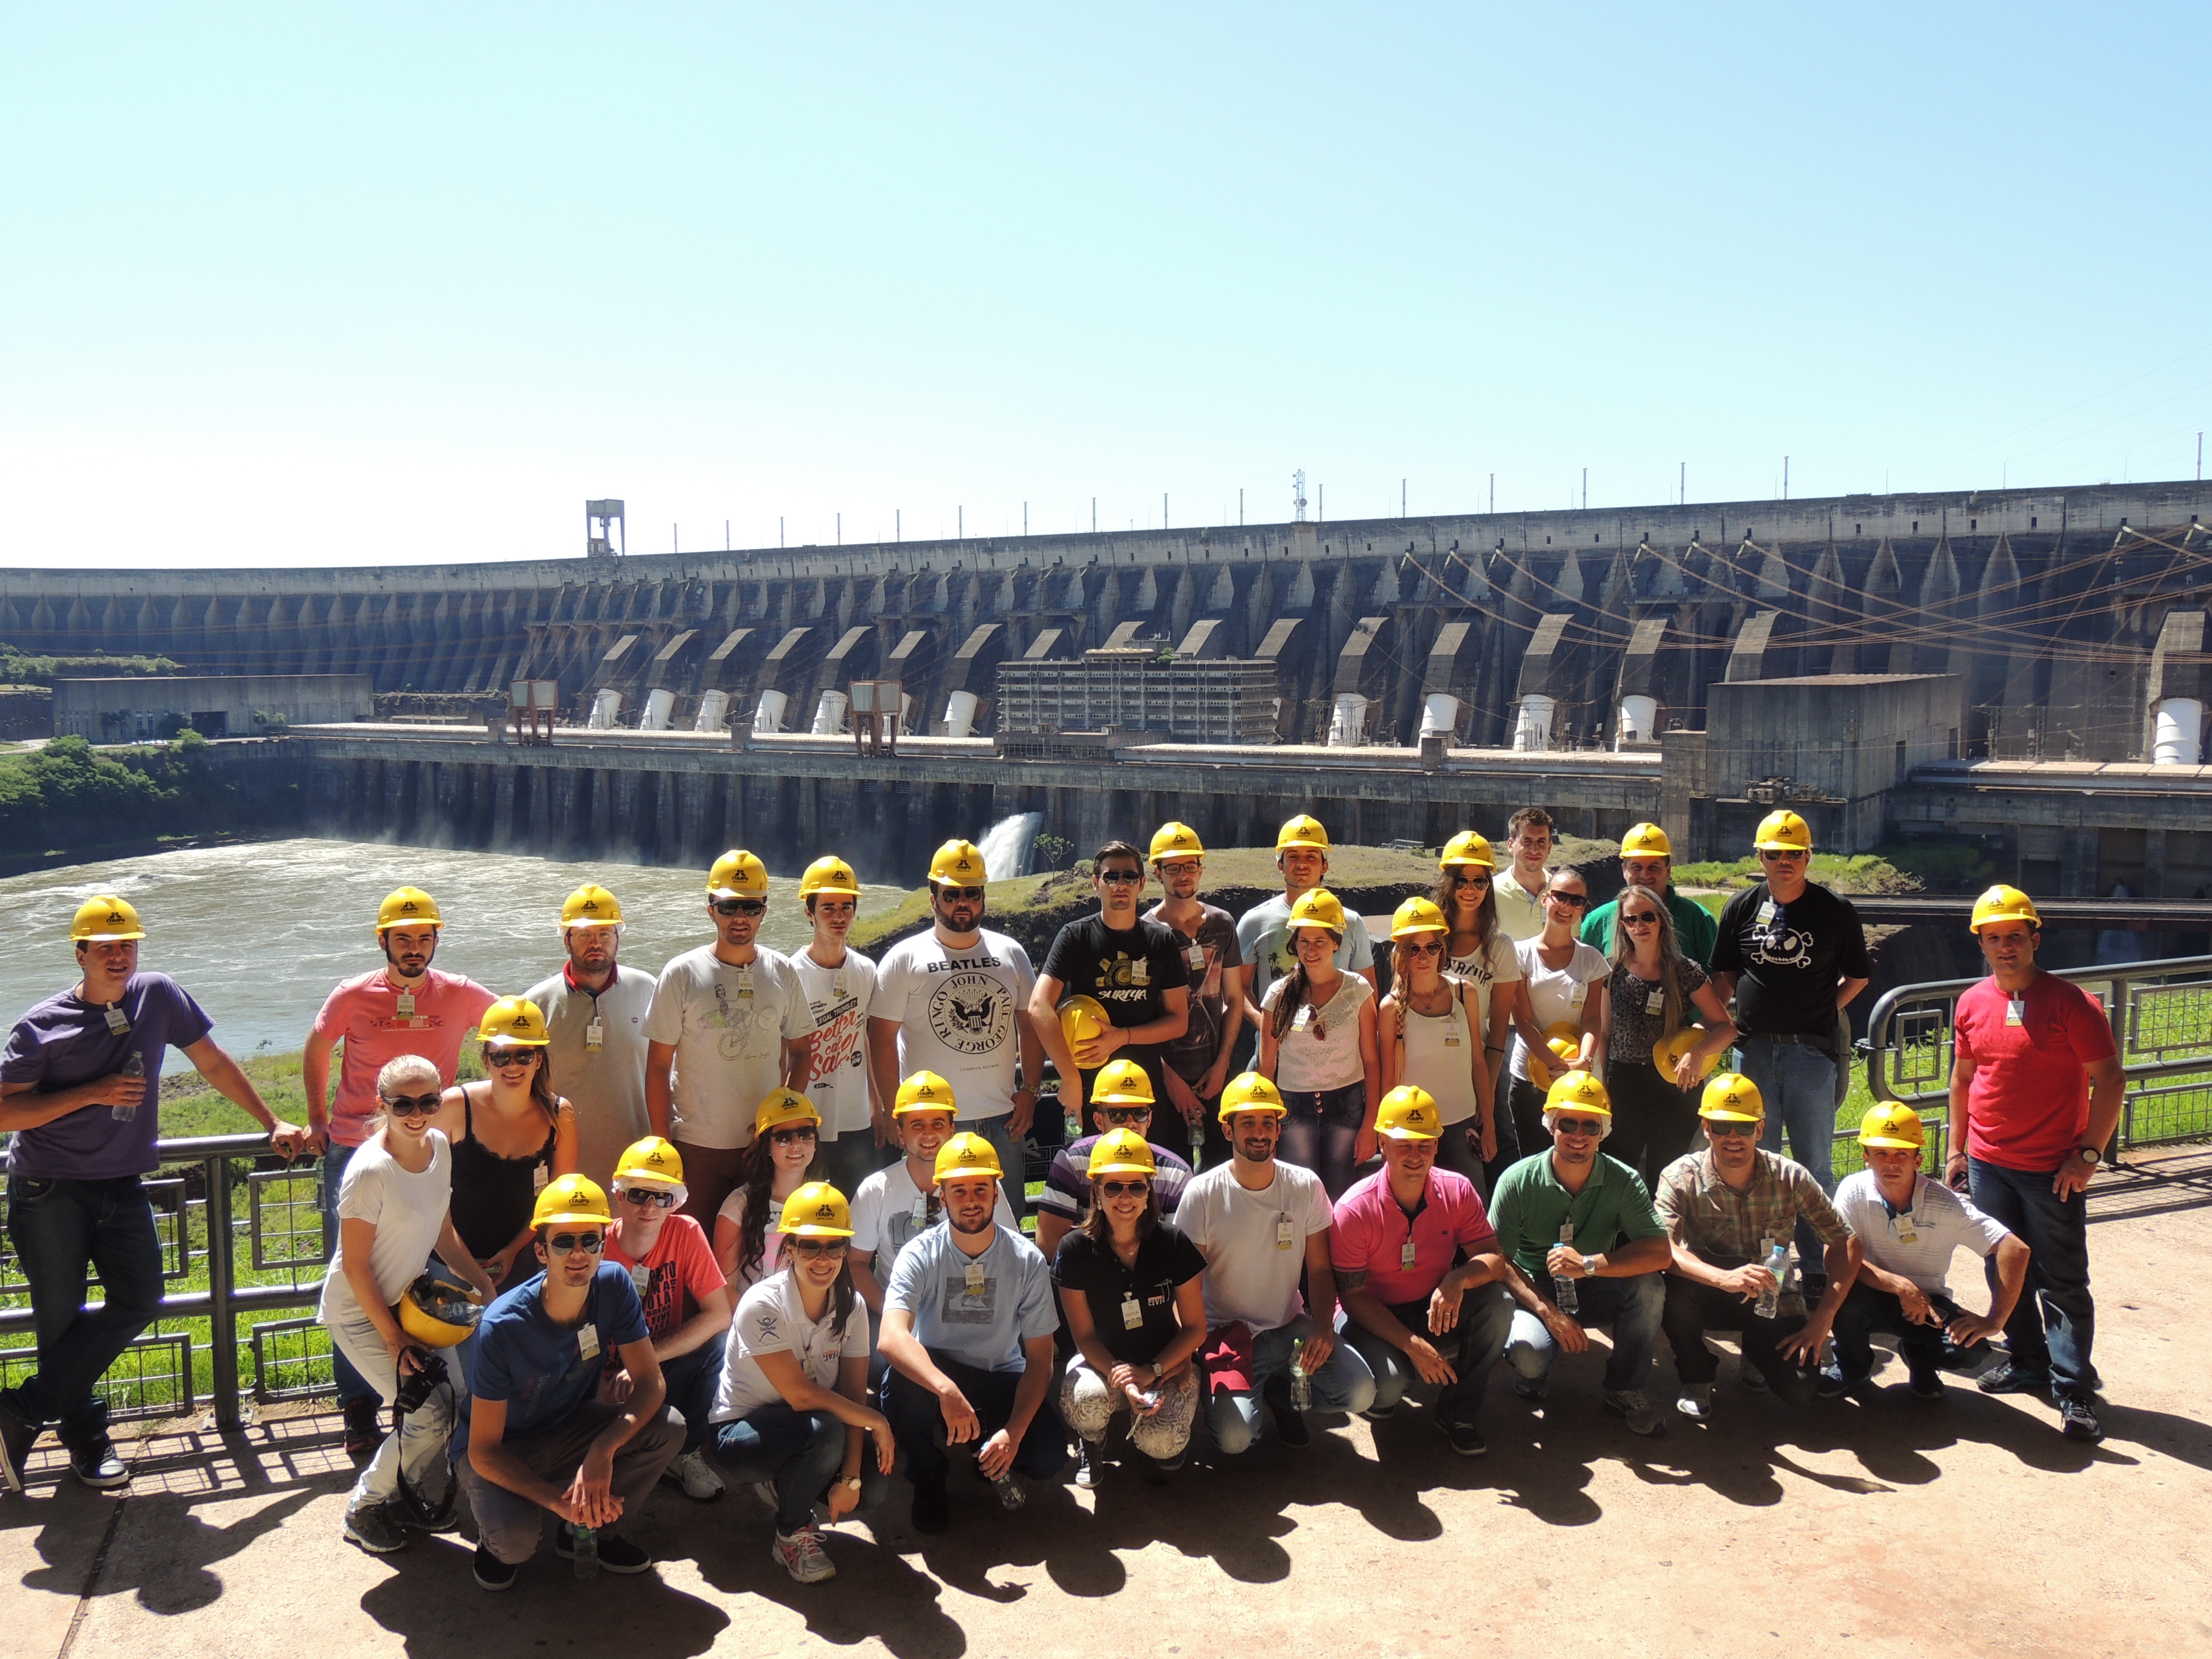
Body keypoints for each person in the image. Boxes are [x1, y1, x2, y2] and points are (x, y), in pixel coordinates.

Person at [0, 896, 306, 1494]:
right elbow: (5, 1112)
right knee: (59, 1324)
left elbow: (213, 1063)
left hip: (123, 1183)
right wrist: (94, 1092)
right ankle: (87, 1440)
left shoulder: (158, 995)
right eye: (106, 947)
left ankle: (19, 1410)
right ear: (80, 953)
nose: (120, 956)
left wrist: (272, 1121)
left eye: (128, 945)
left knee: (143, 1299)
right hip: (49, 1191)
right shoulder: (41, 1025)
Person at [304, 885, 496, 1456]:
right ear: (383, 940)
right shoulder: (353, 995)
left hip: (421, 1143)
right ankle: (358, 1405)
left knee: (417, 1269)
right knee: (358, 1274)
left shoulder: (459, 993)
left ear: (437, 940)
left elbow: (513, 1026)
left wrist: (500, 1091)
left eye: (423, 937)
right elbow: (317, 1049)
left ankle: (415, 1388)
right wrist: (316, 1119)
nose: (414, 948)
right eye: (403, 938)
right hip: (353, 1149)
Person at [1946, 884, 2125, 1442]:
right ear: (1981, 942)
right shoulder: (1973, 1002)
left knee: (2062, 1280)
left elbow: (2111, 1080)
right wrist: (1957, 1148)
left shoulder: (2073, 1004)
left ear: (2034, 939)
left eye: (2015, 937)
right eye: (1994, 938)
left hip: (2052, 1170)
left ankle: (2073, 1388)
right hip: (1988, 1163)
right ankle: (2027, 1361)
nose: (2005, 948)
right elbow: (1963, 1079)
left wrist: (2088, 1156)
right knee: (2005, 1267)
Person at [455, 1174, 683, 1591]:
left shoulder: (614, 1284)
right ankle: (503, 1537)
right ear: (541, 1251)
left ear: (603, 1245)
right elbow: (484, 1451)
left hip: (569, 1429)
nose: (578, 1254)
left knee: (669, 1426)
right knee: (515, 1545)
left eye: (590, 1241)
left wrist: (603, 1449)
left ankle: (597, 1528)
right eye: (564, 1242)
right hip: (501, 1449)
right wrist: (559, 1503)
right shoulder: (500, 1327)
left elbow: (652, 1383)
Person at [318, 1056, 500, 1553]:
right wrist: (395, 1341)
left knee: (455, 1400)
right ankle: (364, 1506)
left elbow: (443, 1230)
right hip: (360, 1313)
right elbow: (355, 1267)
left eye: (428, 1102)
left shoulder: (440, 1147)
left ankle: (405, 1495)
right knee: (424, 1415)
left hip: (407, 1304)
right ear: (382, 1105)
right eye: (403, 1104)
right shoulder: (370, 1171)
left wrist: (484, 1286)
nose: (417, 1113)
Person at [1171, 1073, 1376, 1453]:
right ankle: (1232, 1398)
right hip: (1227, 1338)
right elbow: (1184, 1284)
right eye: (1247, 1122)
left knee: (1361, 1392)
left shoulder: (1305, 1185)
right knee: (1236, 1441)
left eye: (1268, 1123)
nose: (1259, 1132)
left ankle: (1281, 1397)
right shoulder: (1202, 1194)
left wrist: (1323, 1329)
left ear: (1280, 1129)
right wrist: (1194, 1348)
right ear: (1227, 1130)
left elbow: (1318, 1269)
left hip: (1288, 1330)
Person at [1708, 809, 1871, 1282]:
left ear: (1808, 856)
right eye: (1774, 853)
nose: (1784, 861)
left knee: (1813, 1164)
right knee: (1758, 1164)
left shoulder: (1834, 910)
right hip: (1753, 1050)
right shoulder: (1741, 906)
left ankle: (1823, 1270)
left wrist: (1826, 1009)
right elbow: (1725, 974)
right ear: (1760, 856)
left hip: (1810, 1056)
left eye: (1794, 853)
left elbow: (1859, 975)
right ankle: (1767, 1267)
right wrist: (1711, 1030)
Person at [878, 1132, 1065, 1533]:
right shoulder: (919, 1254)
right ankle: (928, 1474)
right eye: (958, 1190)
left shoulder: (1026, 1260)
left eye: (981, 1188)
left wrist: (1014, 1435)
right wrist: (946, 1390)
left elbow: (1040, 1360)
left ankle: (992, 1452)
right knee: (901, 1381)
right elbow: (891, 1337)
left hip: (1000, 1374)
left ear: (997, 1193)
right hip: (938, 1374)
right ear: (941, 1197)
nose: (971, 1200)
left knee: (1048, 1458)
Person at [709, 1181, 895, 1584]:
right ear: (789, 1249)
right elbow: (800, 1396)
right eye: (810, 1246)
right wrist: (875, 1420)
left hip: (808, 1422)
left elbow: (850, 1392)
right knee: (825, 1429)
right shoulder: (762, 1304)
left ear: (847, 1250)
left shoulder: (853, 1305)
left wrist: (849, 1477)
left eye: (835, 1246)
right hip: (742, 1433)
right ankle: (791, 1533)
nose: (823, 1258)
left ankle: (794, 1478)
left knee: (873, 1487)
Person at [1655, 1073, 1863, 1422]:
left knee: (1800, 1389)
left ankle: (1757, 1351)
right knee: (1668, 1292)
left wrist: (1823, 1318)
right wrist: (1722, 1279)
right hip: (1709, 1288)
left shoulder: (1791, 1177)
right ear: (1706, 1128)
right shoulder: (1680, 1177)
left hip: (1772, 1297)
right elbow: (1664, 1248)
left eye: (1744, 1126)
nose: (1734, 1137)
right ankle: (1696, 1376)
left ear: (1761, 1129)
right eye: (1722, 1126)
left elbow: (1846, 1241)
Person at [1329, 1087, 1514, 1456]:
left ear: (1436, 1145)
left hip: (1433, 1304)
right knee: (1390, 1384)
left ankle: (1458, 1413)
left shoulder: (1457, 1189)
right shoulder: (1354, 1209)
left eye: (1424, 1144)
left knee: (1499, 1303)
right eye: (1404, 1145)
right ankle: (1387, 1387)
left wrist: (1457, 1279)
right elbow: (1352, 1297)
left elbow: (1495, 1261)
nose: (1415, 1156)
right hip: (1370, 1314)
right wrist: (1413, 1347)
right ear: (1383, 1143)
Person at [1488, 1070, 1672, 1435]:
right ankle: (1533, 1374)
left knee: (1650, 1288)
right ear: (1550, 1126)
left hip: (1592, 1280)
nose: (1579, 1135)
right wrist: (1548, 1312)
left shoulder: (1624, 1180)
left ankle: (1625, 1387)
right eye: (1568, 1123)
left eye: (1591, 1126)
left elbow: (1660, 1252)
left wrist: (1590, 1265)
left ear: (1604, 1132)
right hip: (1535, 1288)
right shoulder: (1516, 1180)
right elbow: (1497, 1261)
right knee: (1530, 1355)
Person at [868, 839, 1042, 1220]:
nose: (962, 903)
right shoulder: (904, 958)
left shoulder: (1012, 953)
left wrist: (1030, 1089)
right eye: (951, 895)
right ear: (934, 899)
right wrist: (893, 1109)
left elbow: (1030, 1025)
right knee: (934, 1230)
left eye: (971, 894)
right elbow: (880, 1039)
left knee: (1005, 1230)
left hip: (1002, 1119)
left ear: (983, 897)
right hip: (933, 1126)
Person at [645, 849, 818, 1229]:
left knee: (759, 1251)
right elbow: (658, 1066)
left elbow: (803, 1052)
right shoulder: (681, 974)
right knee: (695, 1254)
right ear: (711, 910)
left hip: (762, 1148)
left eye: (751, 907)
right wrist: (664, 1147)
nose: (740, 917)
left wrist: (781, 1124)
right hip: (696, 1146)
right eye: (729, 907)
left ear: (765, 911)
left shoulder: (782, 971)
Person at [1823, 1103, 2029, 1402]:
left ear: (1918, 1160)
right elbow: (1834, 1258)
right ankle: (1851, 1366)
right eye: (1881, 1153)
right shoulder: (1852, 1190)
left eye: (1901, 1155)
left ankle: (1921, 1357)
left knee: (1971, 1350)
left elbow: (2015, 1248)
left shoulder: (1946, 1204)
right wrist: (1898, 1285)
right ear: (1866, 1158)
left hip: (1929, 1302)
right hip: (1868, 1291)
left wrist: (1995, 1320)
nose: (1891, 1163)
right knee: (1841, 1294)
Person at [1052, 1130, 1208, 1486]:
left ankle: (1161, 1437)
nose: (1126, 1198)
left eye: (1136, 1187)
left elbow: (1196, 1329)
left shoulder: (1173, 1242)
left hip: (1164, 1361)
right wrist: (1124, 1378)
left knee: (1163, 1444)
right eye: (1113, 1187)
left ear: (1149, 1190)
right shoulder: (1074, 1249)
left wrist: (1153, 1369)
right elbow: (1085, 1337)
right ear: (1096, 1191)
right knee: (1085, 1402)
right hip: (1103, 1361)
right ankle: (1092, 1442)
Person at [602, 1137, 734, 1503]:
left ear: (676, 1202)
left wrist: (647, 1363)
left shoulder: (686, 1232)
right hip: (602, 1381)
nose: (650, 1207)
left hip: (655, 1368)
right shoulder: (594, 1244)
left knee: (718, 1345)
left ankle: (684, 1452)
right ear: (620, 1195)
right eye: (640, 1193)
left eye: (664, 1197)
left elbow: (720, 1314)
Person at [1590, 885, 1737, 1191]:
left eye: (1647, 917)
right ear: (1622, 925)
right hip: (1624, 1081)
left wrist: (1697, 1053)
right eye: (1631, 919)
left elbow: (1726, 1028)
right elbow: (1604, 1032)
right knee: (1619, 1172)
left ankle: (1666, 1238)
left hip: (1673, 1084)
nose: (1640, 926)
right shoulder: (1611, 969)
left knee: (1667, 1174)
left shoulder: (1684, 970)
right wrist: (1602, 1081)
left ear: (1662, 920)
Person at [1030, 840, 1190, 1118]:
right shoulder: (1075, 937)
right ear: (1096, 883)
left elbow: (1179, 1022)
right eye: (1111, 876)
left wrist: (1122, 1037)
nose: (1121, 884)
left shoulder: (1161, 940)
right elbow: (1038, 1006)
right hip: (1090, 1091)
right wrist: (1070, 1078)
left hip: (1145, 1088)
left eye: (1129, 876)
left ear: (1141, 884)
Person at [848, 1072, 1014, 1337]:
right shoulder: (875, 1189)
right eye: (917, 1125)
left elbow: (1010, 1253)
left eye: (938, 1124)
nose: (929, 1134)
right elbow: (856, 1263)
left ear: (951, 1130)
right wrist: (894, 1314)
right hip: (897, 1316)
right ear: (900, 1134)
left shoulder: (979, 1182)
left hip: (973, 1315)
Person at [430, 998, 578, 1296]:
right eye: (501, 1057)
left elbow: (554, 1202)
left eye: (524, 1056)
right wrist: (466, 1267)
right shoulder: (455, 1107)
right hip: (447, 1260)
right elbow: (422, 1193)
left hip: (522, 1263)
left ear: (538, 1060)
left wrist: (512, 1252)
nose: (513, 1066)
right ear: (486, 1061)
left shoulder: (560, 1116)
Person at [525, 884, 655, 1193]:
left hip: (637, 1157)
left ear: (618, 939)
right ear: (567, 940)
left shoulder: (649, 991)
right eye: (584, 935)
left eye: (605, 934)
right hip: (561, 1163)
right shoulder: (537, 1005)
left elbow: (674, 1073)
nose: (595, 943)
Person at [1255, 889, 1381, 1199]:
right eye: (1304, 941)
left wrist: (1371, 1124)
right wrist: (1266, 1123)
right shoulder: (1277, 995)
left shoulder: (1358, 990)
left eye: (1320, 942)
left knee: (1341, 1195)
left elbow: (1371, 1060)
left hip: (1347, 1105)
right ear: (1294, 944)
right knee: (1301, 1196)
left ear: (1337, 943)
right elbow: (1267, 1066)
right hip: (1293, 1107)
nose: (1311, 950)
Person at [1142, 821, 1245, 1171]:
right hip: (1162, 1083)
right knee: (1169, 1179)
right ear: (1158, 873)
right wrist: (1169, 1077)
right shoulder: (1144, 932)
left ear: (1201, 870)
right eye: (1173, 868)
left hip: (1215, 1078)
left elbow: (1234, 998)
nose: (1183, 875)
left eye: (1190, 866)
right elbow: (1139, 1015)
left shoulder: (1223, 924)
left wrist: (1222, 1065)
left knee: (1222, 1177)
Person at [1377, 897, 1497, 1196]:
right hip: (1412, 1131)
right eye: (1414, 949)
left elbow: (1478, 1063)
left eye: (1432, 947)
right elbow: (1388, 1079)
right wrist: (1386, 1136)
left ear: (1442, 950)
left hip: (1461, 1122)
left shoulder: (1465, 992)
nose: (1424, 956)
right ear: (1402, 954)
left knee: (1473, 1207)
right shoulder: (1391, 1008)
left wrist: (1490, 1124)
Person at [1235, 817, 1377, 1057]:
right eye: (1293, 856)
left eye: (1311, 856)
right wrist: (1268, 1027)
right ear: (1281, 864)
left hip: (1338, 1054)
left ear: (1325, 866)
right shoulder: (1254, 922)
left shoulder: (1350, 922)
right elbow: (1238, 988)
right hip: (1275, 1054)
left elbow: (1369, 990)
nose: (1302, 864)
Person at [1503, 867, 1609, 1178]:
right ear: (1546, 899)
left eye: (1577, 901)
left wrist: (1584, 1061)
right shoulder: (1520, 953)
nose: (1567, 906)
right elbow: (1522, 1020)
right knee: (1532, 1167)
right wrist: (1555, 1064)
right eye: (1561, 896)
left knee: (1577, 1163)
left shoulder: (1591, 960)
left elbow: (1592, 1019)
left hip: (1579, 1076)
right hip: (1531, 1076)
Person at [1034, 1058, 1195, 1262]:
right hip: (1085, 1282)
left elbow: (1180, 1254)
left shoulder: (1177, 1173)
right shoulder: (1071, 1163)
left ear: (1150, 1119)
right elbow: (1049, 1244)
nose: (1130, 1123)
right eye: (1118, 1114)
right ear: (1099, 1121)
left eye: (1139, 1114)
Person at [789, 855, 885, 1198]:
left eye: (847, 907)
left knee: (857, 1213)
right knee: (801, 1209)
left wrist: (877, 1107)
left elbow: (866, 1038)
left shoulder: (866, 970)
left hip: (855, 1119)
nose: (839, 917)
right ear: (809, 912)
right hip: (804, 1119)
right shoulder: (790, 974)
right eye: (828, 908)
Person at [1433, 833, 1523, 1116]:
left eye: (1480, 881)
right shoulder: (1427, 936)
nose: (1470, 889)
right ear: (1449, 882)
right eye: (1462, 880)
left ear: (1489, 887)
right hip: (1422, 1061)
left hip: (1471, 1068)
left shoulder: (1500, 947)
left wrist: (1488, 1090)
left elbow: (1498, 1030)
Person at [714, 1088, 824, 1289]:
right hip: (750, 1317)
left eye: (806, 1134)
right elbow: (724, 1291)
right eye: (784, 1137)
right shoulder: (738, 1205)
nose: (796, 1144)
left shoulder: (827, 1202)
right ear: (766, 1146)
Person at [1579, 823, 1720, 966]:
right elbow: (1580, 974)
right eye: (1637, 867)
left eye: (1654, 867)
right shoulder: (1598, 922)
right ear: (1624, 870)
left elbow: (1719, 977)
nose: (1645, 875)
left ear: (1668, 870)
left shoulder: (1698, 919)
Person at [1489, 808, 1558, 942]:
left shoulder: (1562, 894)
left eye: (1541, 841)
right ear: (1511, 845)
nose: (1534, 849)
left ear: (1550, 847)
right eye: (1527, 841)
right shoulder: (1489, 892)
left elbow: (1573, 946)